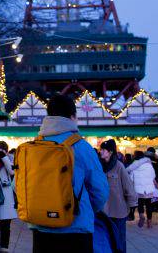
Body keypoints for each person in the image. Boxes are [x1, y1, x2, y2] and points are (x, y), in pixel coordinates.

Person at [30, 94, 108, 253]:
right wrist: (82, 208)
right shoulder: (82, 147)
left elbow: (19, 186)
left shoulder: (32, 147)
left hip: (41, 228)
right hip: (76, 229)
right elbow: (100, 190)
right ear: (73, 117)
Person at [96, 139, 137, 253]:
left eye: (103, 150)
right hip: (102, 212)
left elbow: (128, 187)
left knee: (119, 240)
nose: (101, 152)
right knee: (106, 239)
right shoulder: (98, 166)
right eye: (101, 150)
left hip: (118, 212)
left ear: (110, 152)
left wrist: (133, 206)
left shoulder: (119, 166)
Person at [126, 151, 158, 228]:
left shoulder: (134, 166)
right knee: (148, 205)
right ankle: (149, 222)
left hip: (139, 188)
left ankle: (141, 216)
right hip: (149, 188)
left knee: (140, 203)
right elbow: (153, 176)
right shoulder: (149, 165)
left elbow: (131, 178)